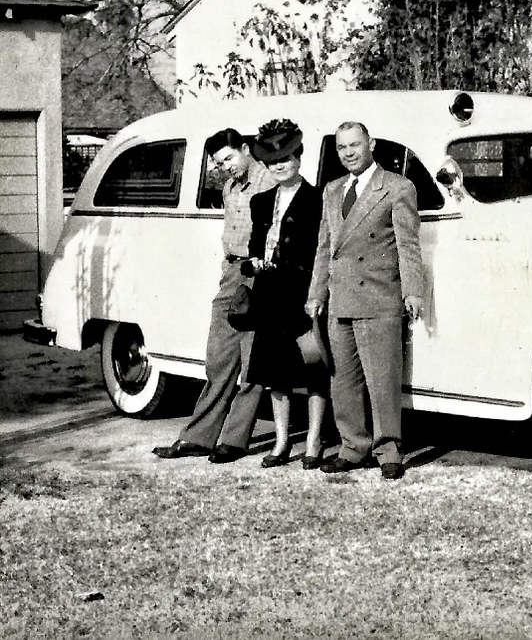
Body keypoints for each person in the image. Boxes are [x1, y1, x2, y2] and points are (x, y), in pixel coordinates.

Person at [305, 121, 424, 480]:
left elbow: (408, 245)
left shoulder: (397, 187)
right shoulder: (332, 190)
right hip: (339, 301)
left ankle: (389, 450)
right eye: (342, 148)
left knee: (382, 381)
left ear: (370, 143)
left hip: (378, 298)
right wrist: (316, 294)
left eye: (355, 145)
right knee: (343, 382)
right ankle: (353, 447)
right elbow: (325, 249)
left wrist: (412, 291)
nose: (349, 153)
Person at [153, 128, 274, 463]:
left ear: (246, 149)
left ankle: (234, 441)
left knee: (252, 364)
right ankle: (198, 437)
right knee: (219, 359)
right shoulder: (230, 188)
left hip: (259, 275)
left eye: (229, 158)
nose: (226, 167)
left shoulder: (269, 181)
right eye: (220, 164)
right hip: (232, 274)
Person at [243, 118, 329, 469]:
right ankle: (280, 442)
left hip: (303, 295)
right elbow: (254, 244)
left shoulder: (317, 198)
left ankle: (313, 440)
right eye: (273, 162)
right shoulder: (261, 202)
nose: (280, 166)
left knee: (313, 369)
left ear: (299, 158)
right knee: (275, 373)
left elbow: (323, 250)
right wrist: (254, 262)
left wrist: (315, 293)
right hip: (269, 296)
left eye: (287, 159)